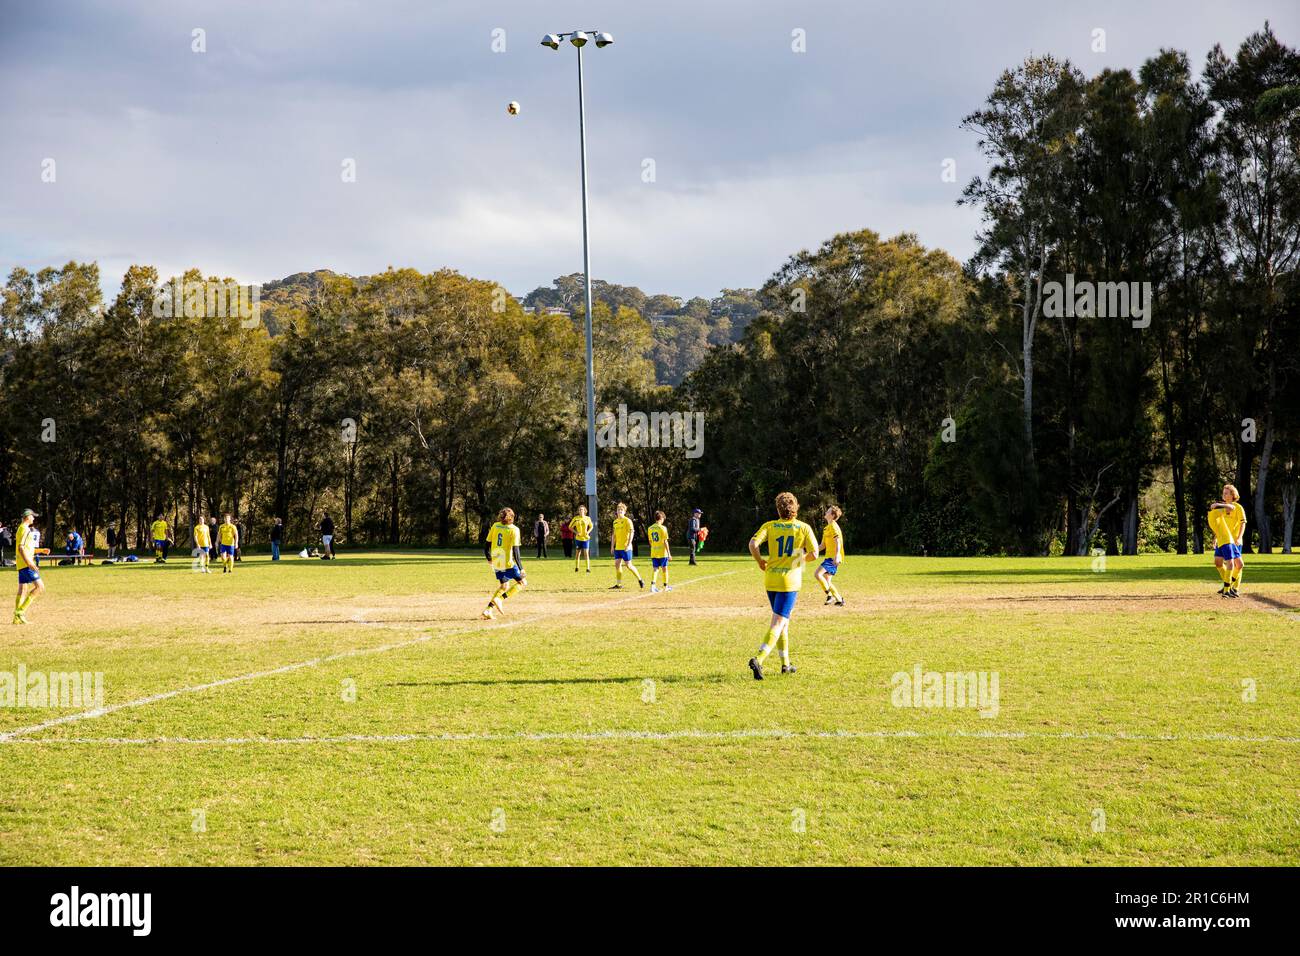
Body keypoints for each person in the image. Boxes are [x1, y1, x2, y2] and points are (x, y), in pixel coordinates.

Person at [747, 492, 819, 680]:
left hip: (771, 579)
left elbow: (753, 544)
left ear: (778, 509)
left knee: (783, 623)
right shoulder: (803, 528)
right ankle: (759, 659)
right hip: (790, 581)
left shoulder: (769, 526)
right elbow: (815, 553)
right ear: (796, 507)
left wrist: (760, 562)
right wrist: (799, 560)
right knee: (778, 622)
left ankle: (785, 665)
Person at [482, 507, 526, 620]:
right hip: (507, 560)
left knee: (504, 586)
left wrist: (488, 557)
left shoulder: (495, 526)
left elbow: (487, 544)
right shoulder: (514, 529)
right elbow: (516, 551)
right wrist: (521, 568)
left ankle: (488, 610)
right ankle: (500, 599)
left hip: (497, 558)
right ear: (512, 517)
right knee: (522, 583)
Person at [1209, 484, 1247, 598]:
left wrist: (1239, 537)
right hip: (1223, 539)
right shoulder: (1222, 508)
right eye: (1223, 493)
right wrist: (1215, 537)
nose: (1224, 495)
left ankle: (1234, 588)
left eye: (1226, 493)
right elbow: (1219, 524)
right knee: (1218, 563)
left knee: (1238, 565)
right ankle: (1228, 583)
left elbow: (1243, 523)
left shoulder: (1238, 507)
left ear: (1232, 494)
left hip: (1234, 540)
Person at [14, 509, 44, 624]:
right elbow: (21, 548)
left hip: (21, 564)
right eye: (33, 516)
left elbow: (26, 547)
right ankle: (20, 611)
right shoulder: (25, 529)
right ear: (28, 517)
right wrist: (30, 563)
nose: (34, 518)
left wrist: (41, 550)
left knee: (22, 589)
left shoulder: (21, 528)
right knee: (40, 587)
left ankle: (16, 618)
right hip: (26, 564)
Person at [814, 505, 846, 606]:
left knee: (818, 574)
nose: (826, 512)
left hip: (833, 559)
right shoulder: (826, 528)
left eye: (828, 511)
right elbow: (823, 545)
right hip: (829, 557)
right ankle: (839, 599)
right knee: (827, 580)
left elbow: (838, 541)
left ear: (832, 515)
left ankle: (830, 596)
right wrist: (811, 551)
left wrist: (837, 555)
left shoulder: (833, 525)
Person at [609, 502, 644, 590]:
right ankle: (619, 584)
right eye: (618, 510)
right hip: (618, 548)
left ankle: (640, 579)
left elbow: (632, 532)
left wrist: (628, 544)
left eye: (621, 510)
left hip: (626, 548)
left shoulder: (627, 521)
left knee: (629, 565)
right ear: (616, 511)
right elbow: (614, 535)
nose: (619, 511)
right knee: (617, 564)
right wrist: (612, 546)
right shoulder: (615, 522)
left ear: (624, 511)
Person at [647, 511, 672, 593]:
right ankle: (665, 586)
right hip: (662, 552)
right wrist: (669, 554)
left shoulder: (650, 528)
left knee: (655, 569)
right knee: (665, 569)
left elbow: (650, 541)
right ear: (661, 518)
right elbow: (665, 541)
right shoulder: (663, 528)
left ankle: (652, 586)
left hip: (654, 552)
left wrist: (654, 547)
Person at [570, 505, 593, 573]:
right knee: (578, 554)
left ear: (585, 511)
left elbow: (591, 526)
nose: (581, 511)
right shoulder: (576, 518)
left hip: (586, 539)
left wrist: (587, 532)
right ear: (578, 511)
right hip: (578, 539)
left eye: (582, 509)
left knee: (586, 553)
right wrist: (576, 532)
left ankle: (588, 569)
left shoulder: (588, 518)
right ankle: (577, 567)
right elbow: (570, 527)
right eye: (580, 509)